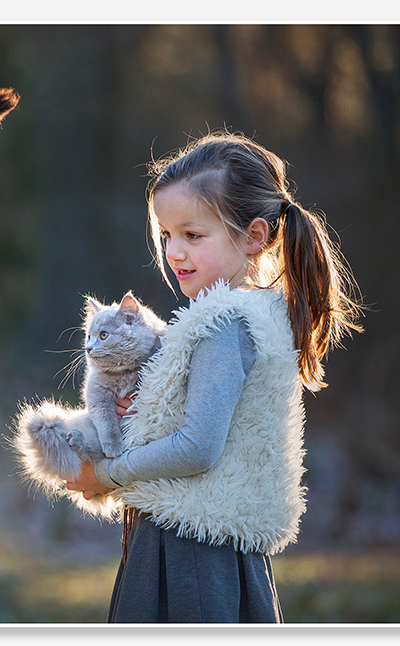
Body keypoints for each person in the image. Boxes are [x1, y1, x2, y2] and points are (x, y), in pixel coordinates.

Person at [65, 131, 362, 623]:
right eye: (167, 236)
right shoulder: (258, 314)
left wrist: (105, 474)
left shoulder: (221, 323)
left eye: (193, 235)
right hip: (215, 546)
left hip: (188, 556)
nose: (174, 252)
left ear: (255, 236)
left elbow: (198, 447)